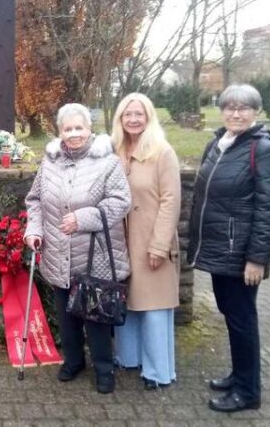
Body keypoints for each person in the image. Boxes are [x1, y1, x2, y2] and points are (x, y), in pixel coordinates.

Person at [188, 84, 270, 412]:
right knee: (232, 315)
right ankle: (239, 374)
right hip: (220, 250)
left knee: (243, 318)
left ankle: (248, 392)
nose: (235, 113)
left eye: (243, 108)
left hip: (241, 254)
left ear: (255, 112)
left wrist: (257, 259)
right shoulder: (218, 144)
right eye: (229, 107)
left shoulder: (265, 150)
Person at [24, 103, 131, 394]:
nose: (74, 134)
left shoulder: (107, 162)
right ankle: (73, 361)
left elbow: (121, 201)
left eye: (79, 128)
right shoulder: (50, 161)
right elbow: (34, 199)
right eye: (68, 128)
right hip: (58, 251)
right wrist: (33, 230)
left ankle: (104, 368)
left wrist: (84, 218)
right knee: (66, 313)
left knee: (95, 314)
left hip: (94, 253)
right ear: (59, 131)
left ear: (89, 129)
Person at [111, 93, 181, 390]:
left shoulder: (162, 152)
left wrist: (159, 245)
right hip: (123, 239)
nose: (133, 119)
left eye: (139, 114)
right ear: (120, 119)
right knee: (129, 301)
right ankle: (128, 357)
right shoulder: (116, 150)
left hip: (151, 238)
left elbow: (171, 200)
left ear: (148, 117)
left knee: (154, 307)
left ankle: (157, 371)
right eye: (128, 114)